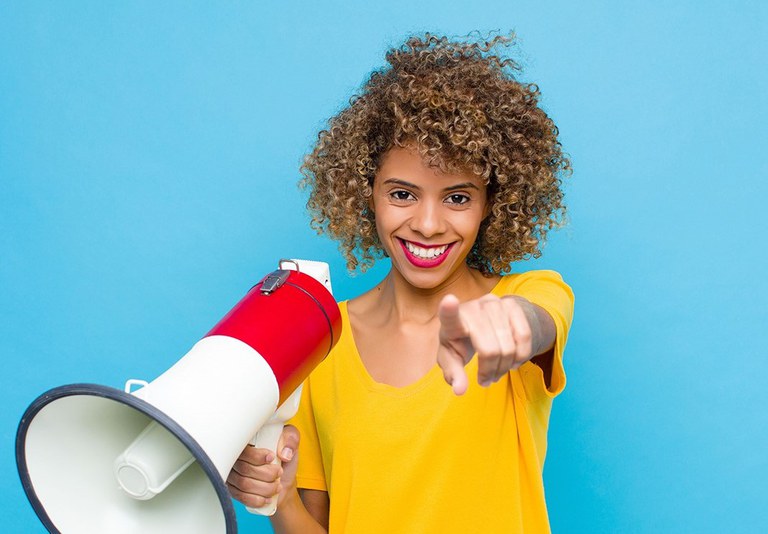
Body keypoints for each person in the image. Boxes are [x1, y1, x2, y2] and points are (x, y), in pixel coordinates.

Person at [227, 32, 574, 533]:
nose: (429, 224)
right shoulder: (322, 340)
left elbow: (539, 322)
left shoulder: (528, 295)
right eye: (403, 193)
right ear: (364, 192)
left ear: (490, 204)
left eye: (457, 197)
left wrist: (511, 325)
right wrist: (279, 501)